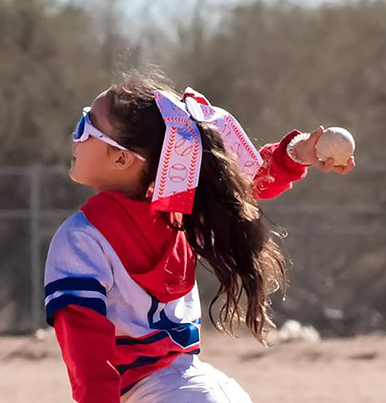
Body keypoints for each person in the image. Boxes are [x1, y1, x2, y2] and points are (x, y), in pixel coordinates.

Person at [44, 69, 355, 403]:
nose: (75, 137)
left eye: (85, 127)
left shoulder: (80, 240)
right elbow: (239, 184)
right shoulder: (177, 215)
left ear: (121, 158)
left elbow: (89, 361)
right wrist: (296, 153)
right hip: (214, 391)